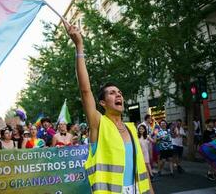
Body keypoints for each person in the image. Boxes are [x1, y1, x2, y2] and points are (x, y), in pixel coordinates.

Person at [64, 22, 153, 194]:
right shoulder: (99, 124)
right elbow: (85, 90)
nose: (118, 95)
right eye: (112, 93)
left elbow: (141, 168)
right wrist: (79, 46)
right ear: (103, 103)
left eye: (119, 92)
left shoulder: (131, 128)